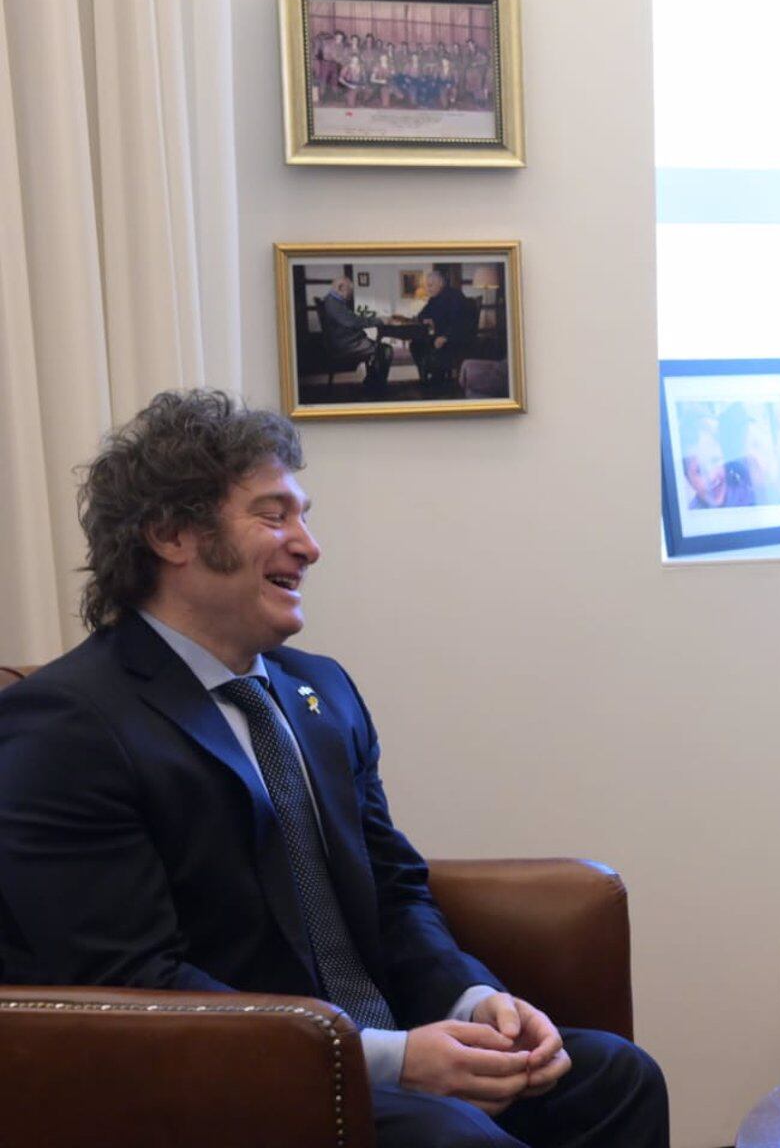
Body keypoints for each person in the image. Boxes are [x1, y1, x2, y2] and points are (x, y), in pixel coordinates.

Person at [0, 391, 667, 1147]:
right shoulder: (67, 724)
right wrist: (383, 1059)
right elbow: (132, 984)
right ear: (170, 533)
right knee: (456, 1139)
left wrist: (469, 1000)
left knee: (614, 1077)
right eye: (274, 514)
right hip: (228, 1084)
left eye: (304, 515)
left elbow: (392, 889)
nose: (309, 545)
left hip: (386, 1050)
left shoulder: (320, 690)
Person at [318, 276, 391, 390]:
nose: (350, 295)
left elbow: (351, 320)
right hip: (345, 344)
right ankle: (378, 386)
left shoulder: (332, 301)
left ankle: (372, 381)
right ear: (341, 287)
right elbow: (353, 322)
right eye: (349, 291)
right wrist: (379, 320)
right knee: (385, 350)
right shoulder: (334, 304)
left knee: (379, 348)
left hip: (344, 341)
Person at [415, 268, 479, 390]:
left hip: (457, 338)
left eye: (430, 285)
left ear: (440, 283)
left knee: (438, 349)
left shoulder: (455, 296)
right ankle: (424, 379)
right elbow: (421, 315)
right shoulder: (433, 299)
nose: (428, 289)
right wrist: (425, 319)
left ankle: (437, 383)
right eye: (427, 286)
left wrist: (445, 337)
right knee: (416, 344)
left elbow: (461, 323)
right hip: (440, 337)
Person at [680, 412, 756, 510]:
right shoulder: (692, 516)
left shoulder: (750, 493)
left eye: (715, 460)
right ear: (689, 480)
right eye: (699, 471)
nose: (711, 477)